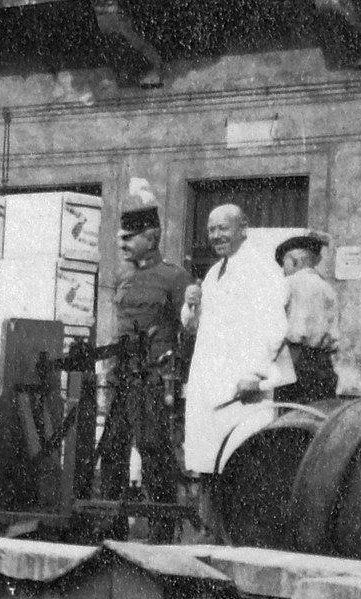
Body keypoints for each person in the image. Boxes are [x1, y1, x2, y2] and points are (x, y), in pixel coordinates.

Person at [182, 204, 291, 477]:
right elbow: (193, 327)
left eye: (223, 228)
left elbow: (274, 325)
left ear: (243, 229)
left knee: (243, 463)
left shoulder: (262, 267)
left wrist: (255, 372)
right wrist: (190, 306)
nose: (216, 235)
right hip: (211, 384)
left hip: (243, 385)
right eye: (211, 230)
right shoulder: (213, 272)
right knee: (210, 465)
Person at [96, 203, 192, 508]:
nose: (122, 244)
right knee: (112, 448)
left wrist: (181, 379)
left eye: (130, 238)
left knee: (154, 450)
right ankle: (112, 528)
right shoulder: (123, 277)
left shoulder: (175, 278)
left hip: (154, 380)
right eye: (121, 237)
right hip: (119, 377)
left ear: (152, 239)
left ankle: (161, 528)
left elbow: (189, 330)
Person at [273, 233, 340, 403]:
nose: (283, 270)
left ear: (294, 261)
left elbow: (274, 325)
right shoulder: (328, 289)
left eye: (284, 264)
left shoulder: (290, 283)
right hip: (323, 363)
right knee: (318, 412)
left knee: (291, 415)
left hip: (295, 361)